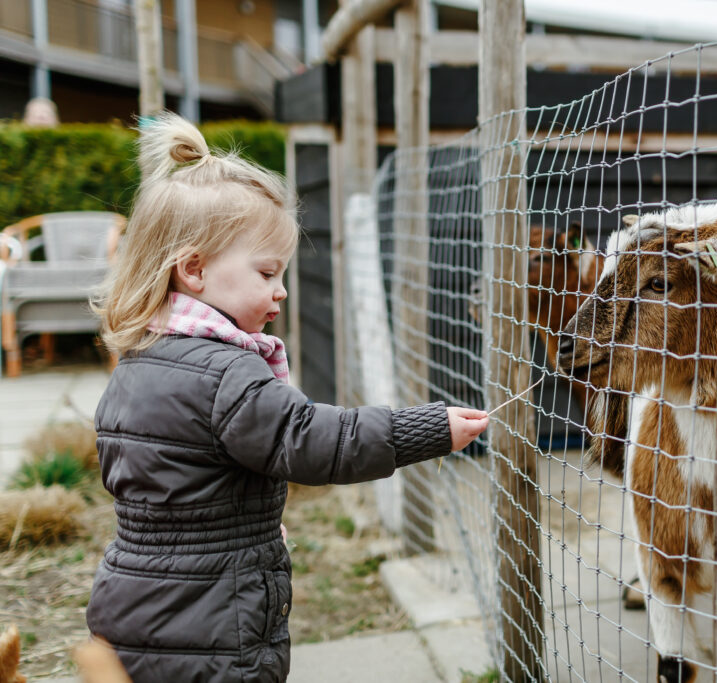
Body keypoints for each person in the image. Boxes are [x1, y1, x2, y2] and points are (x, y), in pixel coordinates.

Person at [86, 111, 488, 682]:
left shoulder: (140, 361)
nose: (279, 291)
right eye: (267, 272)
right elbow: (313, 440)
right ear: (194, 270)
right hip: (211, 627)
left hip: (138, 606)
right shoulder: (224, 375)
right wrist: (426, 429)